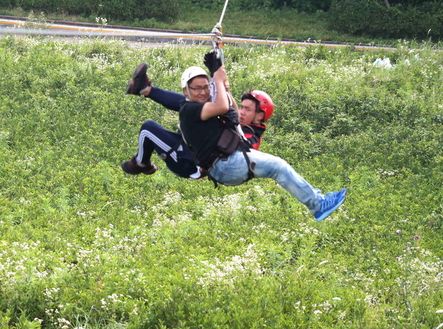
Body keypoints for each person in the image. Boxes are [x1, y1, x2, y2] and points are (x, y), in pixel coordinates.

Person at [177, 65, 346, 222]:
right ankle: (317, 205)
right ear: (186, 90)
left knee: (279, 166)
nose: (203, 92)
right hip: (223, 165)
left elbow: (231, 113)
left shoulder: (209, 111)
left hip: (224, 163)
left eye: (205, 87)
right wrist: (219, 81)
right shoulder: (192, 110)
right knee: (278, 166)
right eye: (197, 88)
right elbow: (223, 107)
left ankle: (317, 199)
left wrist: (223, 87)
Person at [120, 58, 271, 179]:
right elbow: (230, 109)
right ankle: (145, 89)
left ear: (259, 116)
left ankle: (140, 164)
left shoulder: (252, 138)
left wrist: (219, 84)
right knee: (193, 105)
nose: (241, 112)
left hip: (189, 162)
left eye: (248, 110)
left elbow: (242, 155)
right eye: (242, 107)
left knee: (148, 128)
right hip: (192, 146)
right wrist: (223, 86)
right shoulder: (240, 123)